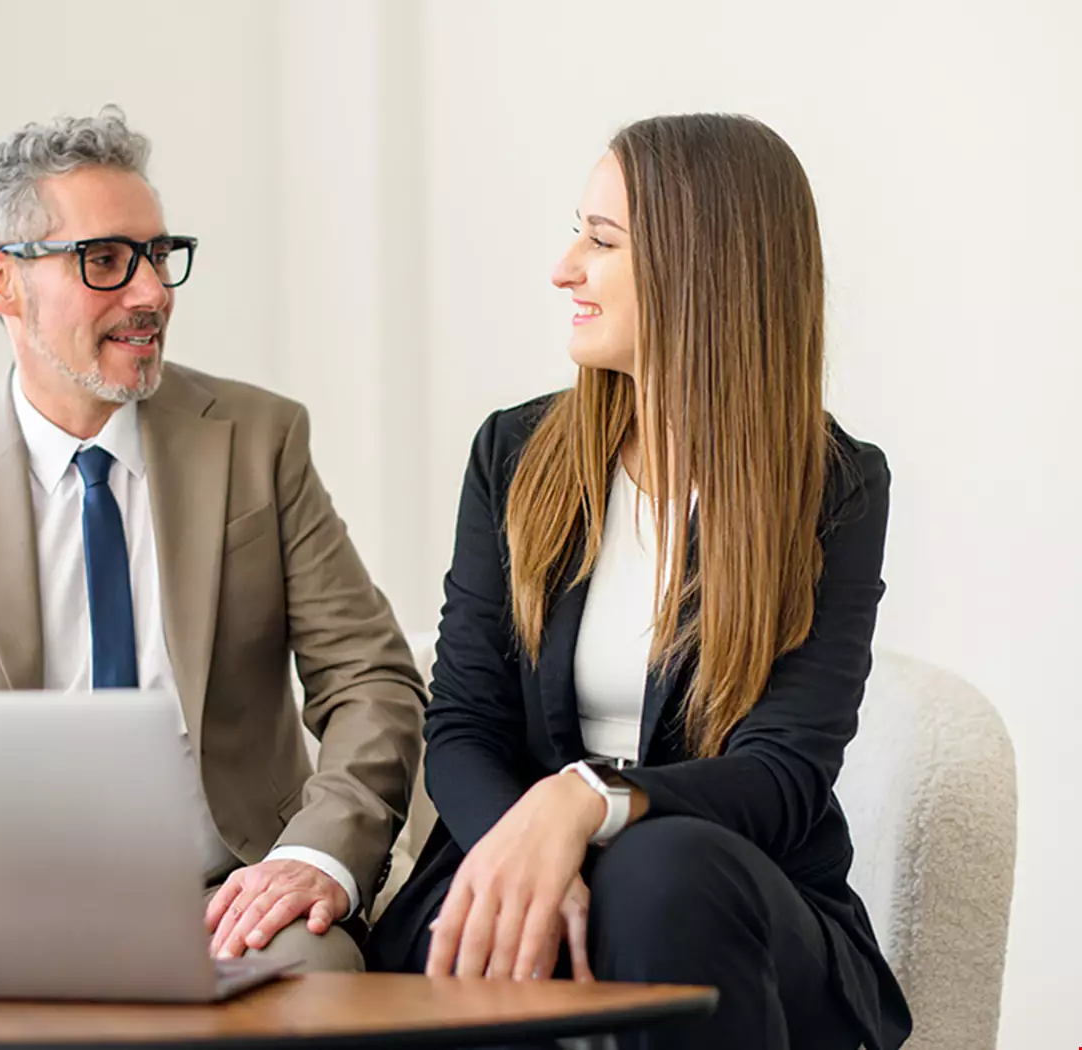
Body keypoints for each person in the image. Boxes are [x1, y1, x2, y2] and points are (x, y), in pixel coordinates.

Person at [0, 107, 425, 973]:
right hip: (4, 907)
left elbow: (370, 680)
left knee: (315, 973)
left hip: (228, 900)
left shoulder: (257, 440)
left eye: (159, 255)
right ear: (0, 281)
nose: (153, 293)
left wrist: (309, 857)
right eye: (107, 260)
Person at [366, 114, 912, 1050]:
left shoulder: (834, 486)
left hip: (729, 893)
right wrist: (537, 852)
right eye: (576, 228)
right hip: (511, 860)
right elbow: (462, 727)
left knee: (662, 874)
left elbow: (781, 776)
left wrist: (587, 802)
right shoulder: (514, 455)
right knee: (531, 915)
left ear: (702, 269)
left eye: (601, 240)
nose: (564, 266)